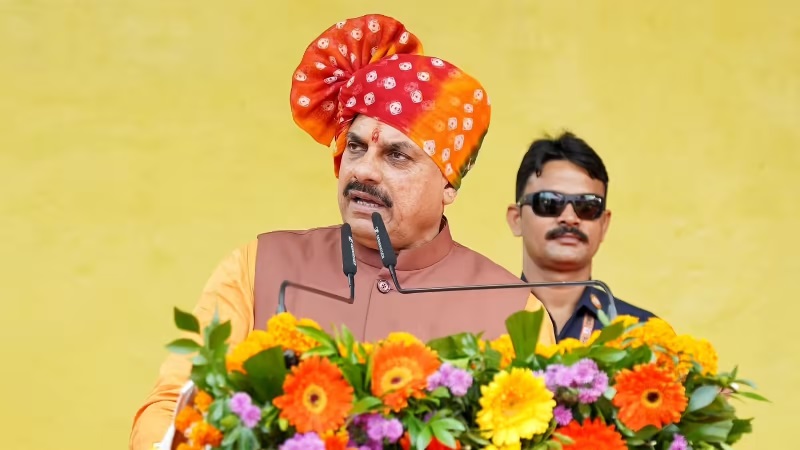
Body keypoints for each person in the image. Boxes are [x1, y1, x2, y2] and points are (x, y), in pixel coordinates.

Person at [130, 14, 556, 450]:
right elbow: (170, 409)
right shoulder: (258, 266)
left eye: (396, 155)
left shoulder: (513, 310)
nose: (363, 170)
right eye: (356, 146)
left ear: (449, 183)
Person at [505, 131, 656, 343]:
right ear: (516, 219)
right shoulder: (479, 324)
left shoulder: (642, 336)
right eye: (549, 203)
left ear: (604, 224)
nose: (569, 218)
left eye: (587, 206)